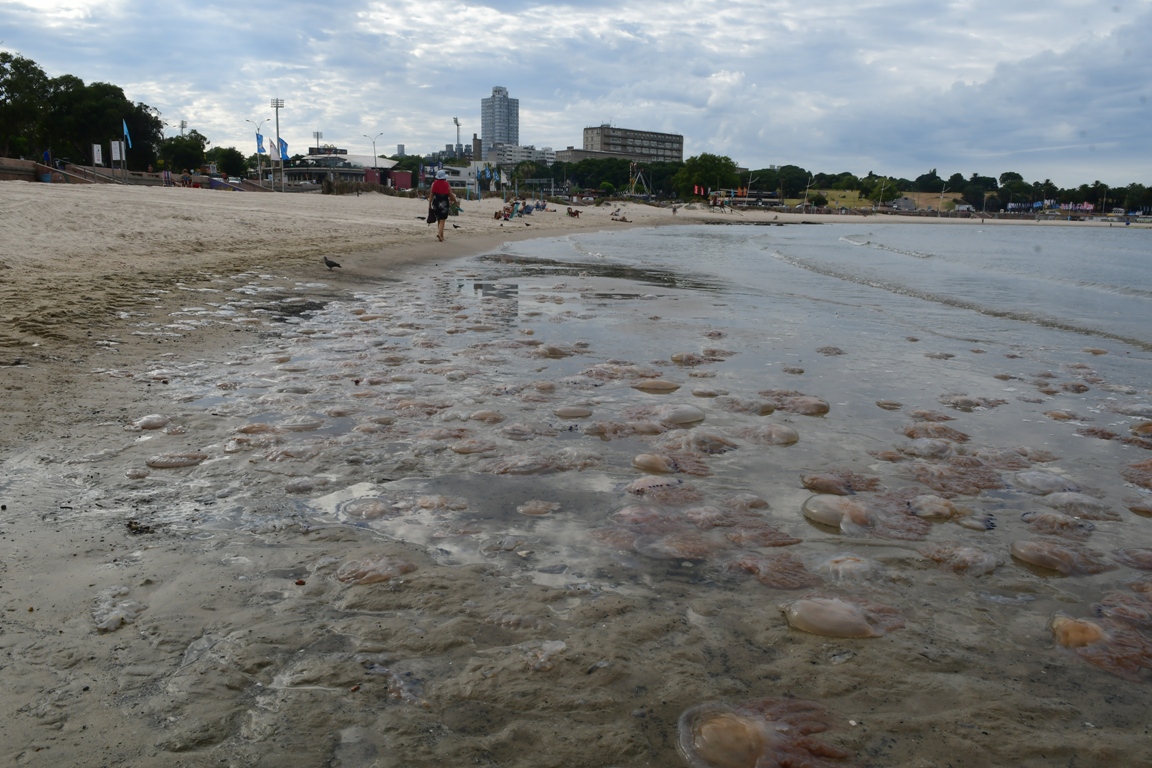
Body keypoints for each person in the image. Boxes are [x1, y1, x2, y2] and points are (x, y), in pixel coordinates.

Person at [427, 169, 457, 241]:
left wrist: (429, 205)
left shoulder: (434, 184)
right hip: (444, 202)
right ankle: (439, 234)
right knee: (442, 219)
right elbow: (450, 194)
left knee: (439, 219)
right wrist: (455, 201)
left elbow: (431, 195)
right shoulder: (446, 184)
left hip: (436, 202)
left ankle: (442, 236)